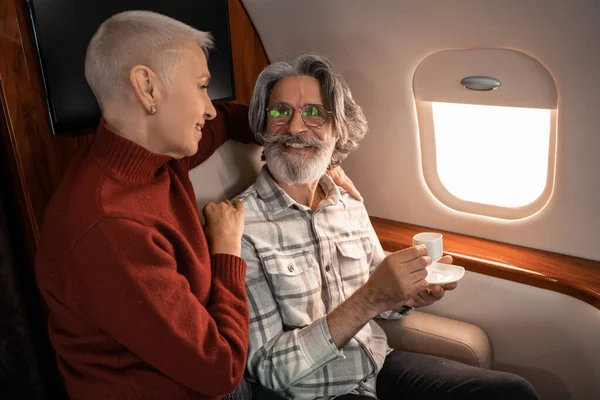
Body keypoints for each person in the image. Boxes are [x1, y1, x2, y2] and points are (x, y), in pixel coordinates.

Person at [34, 12, 360, 400]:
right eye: (202, 87)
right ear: (147, 88)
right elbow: (219, 369)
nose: (208, 107)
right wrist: (225, 250)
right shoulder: (111, 227)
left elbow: (231, 119)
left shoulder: (157, 155)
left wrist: (317, 153)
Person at [238, 53, 539, 399]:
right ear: (263, 125)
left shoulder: (348, 203)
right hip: (310, 391)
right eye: (279, 111)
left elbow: (382, 293)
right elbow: (269, 369)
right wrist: (370, 299)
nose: (294, 127)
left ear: (338, 130)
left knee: (512, 392)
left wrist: (409, 293)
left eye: (314, 113)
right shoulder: (243, 226)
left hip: (376, 367)